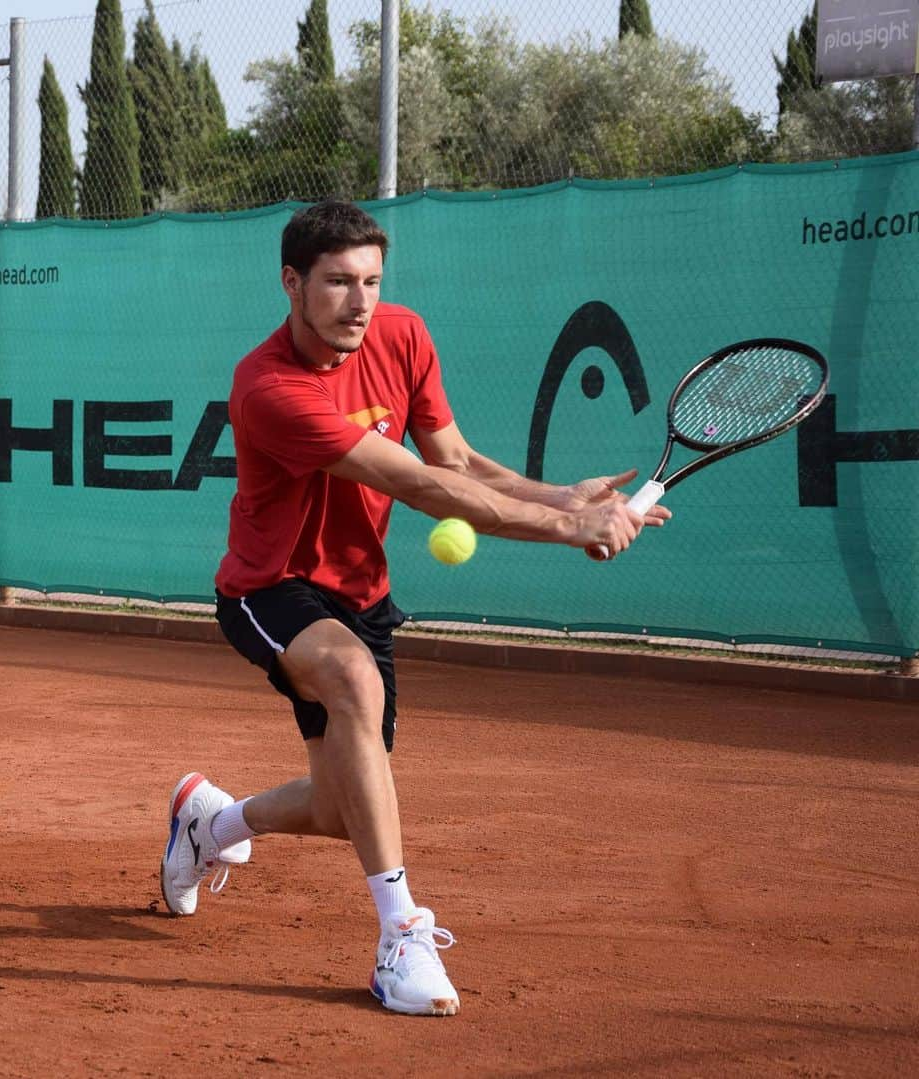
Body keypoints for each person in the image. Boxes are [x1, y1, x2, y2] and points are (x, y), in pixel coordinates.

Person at [160, 200, 670, 1017]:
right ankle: (402, 934)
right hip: (270, 586)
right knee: (354, 681)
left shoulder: (401, 335)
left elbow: (456, 458)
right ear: (292, 283)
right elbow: (421, 486)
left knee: (340, 809)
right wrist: (571, 528)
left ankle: (209, 825)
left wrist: (557, 492)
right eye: (336, 283)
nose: (359, 302)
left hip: (360, 589)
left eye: (370, 281)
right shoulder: (268, 388)